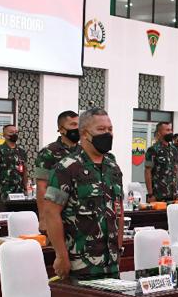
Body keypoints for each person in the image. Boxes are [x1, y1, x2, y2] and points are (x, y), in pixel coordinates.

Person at [42, 108, 123, 279]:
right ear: (85, 134)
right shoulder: (67, 167)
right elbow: (51, 212)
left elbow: (118, 210)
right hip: (80, 264)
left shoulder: (113, 167)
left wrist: (119, 247)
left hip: (111, 263)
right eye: (101, 130)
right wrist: (61, 255)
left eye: (110, 129)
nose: (107, 134)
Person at [34, 110, 79, 215]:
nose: (78, 128)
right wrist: (43, 218)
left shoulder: (84, 151)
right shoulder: (48, 152)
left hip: (81, 215)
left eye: (79, 124)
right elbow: (41, 186)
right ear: (61, 129)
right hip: (57, 212)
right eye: (73, 124)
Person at [0, 124, 28, 200]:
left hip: (19, 191)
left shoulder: (22, 151)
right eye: (11, 132)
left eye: (16, 132)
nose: (14, 134)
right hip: (4, 191)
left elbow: (25, 171)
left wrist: (26, 188)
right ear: (4, 135)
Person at [144, 121, 178, 203]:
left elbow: (175, 170)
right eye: (167, 130)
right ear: (159, 133)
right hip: (158, 196)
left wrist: (176, 191)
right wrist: (150, 194)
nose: (170, 132)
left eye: (170, 130)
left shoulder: (174, 149)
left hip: (172, 195)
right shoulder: (152, 150)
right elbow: (147, 172)